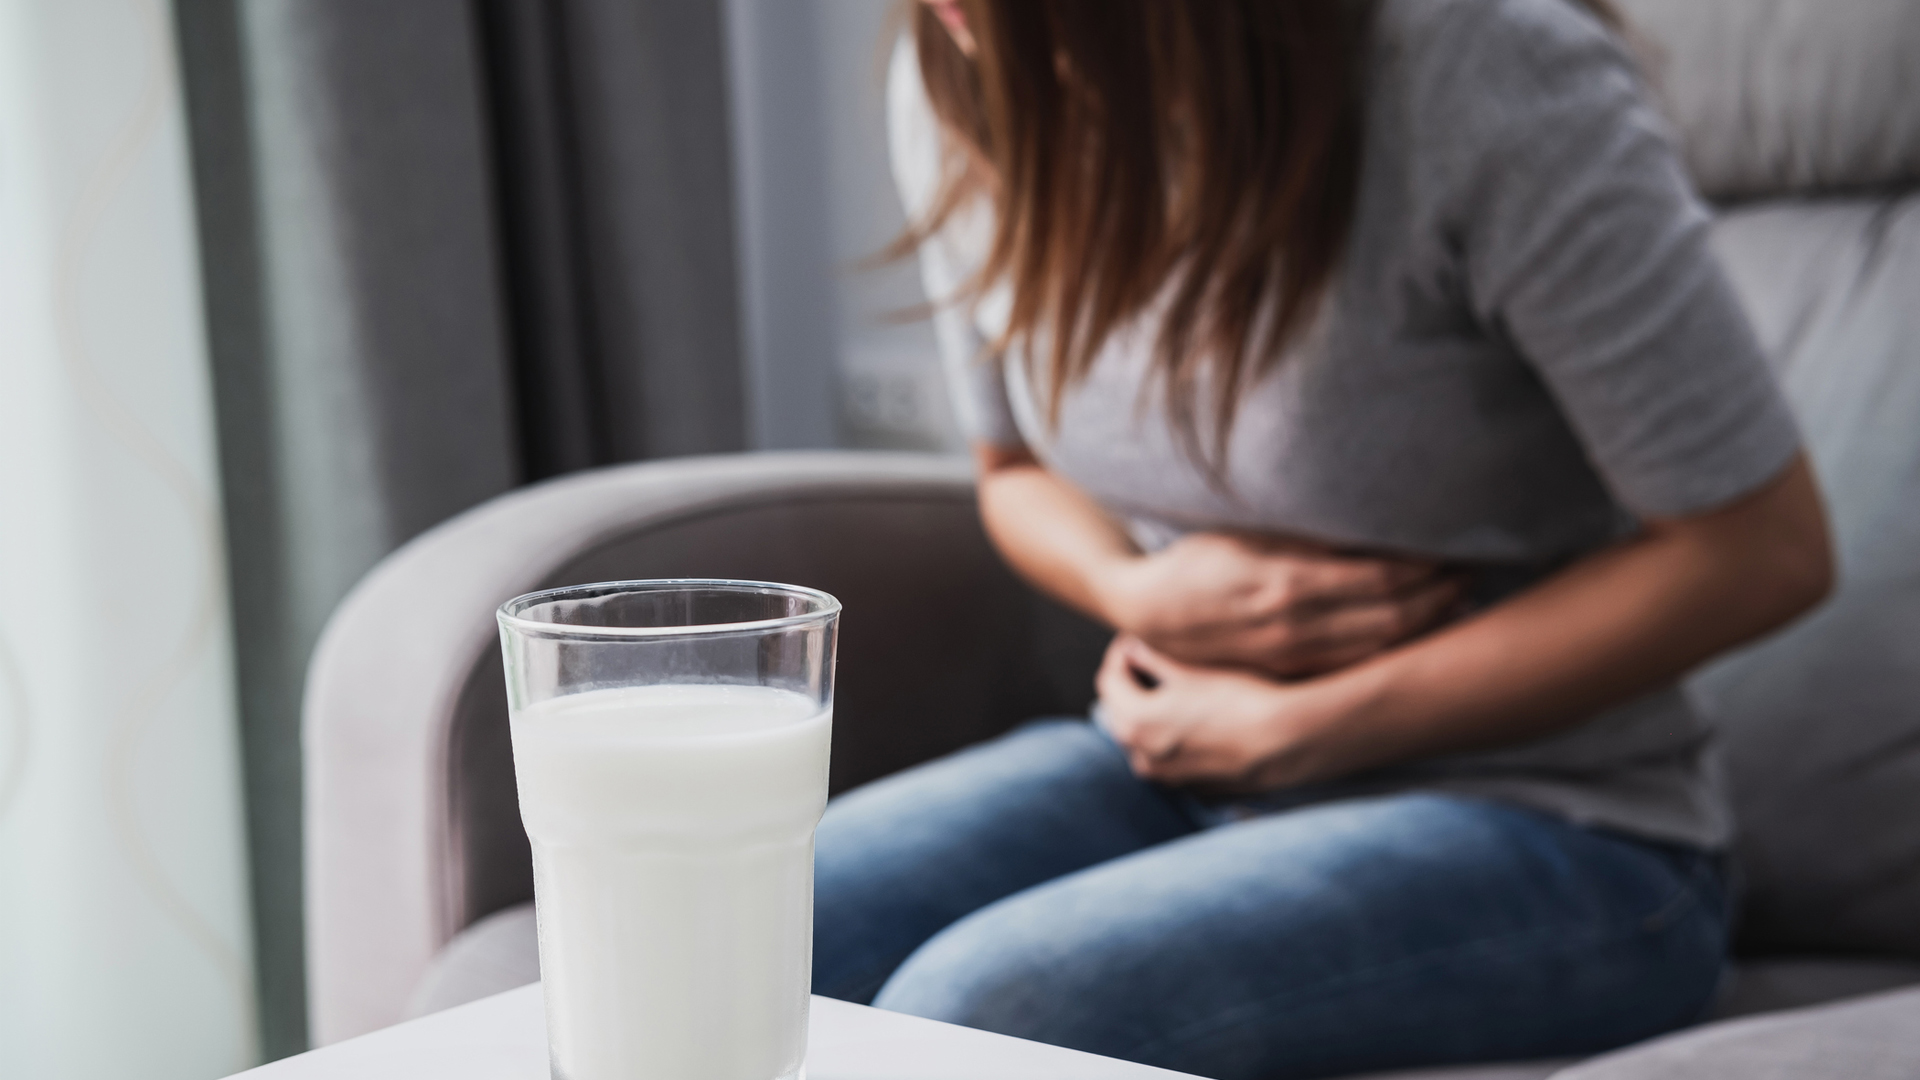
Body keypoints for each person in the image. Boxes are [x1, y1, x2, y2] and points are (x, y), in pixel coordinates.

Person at [813, 1, 1835, 1077]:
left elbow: (1763, 548)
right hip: (1178, 762)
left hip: (1561, 822)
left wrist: (1306, 727)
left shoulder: (1480, 67)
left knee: (973, 1010)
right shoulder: (969, 75)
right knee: (731, 917)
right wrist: (1138, 595)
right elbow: (1010, 471)